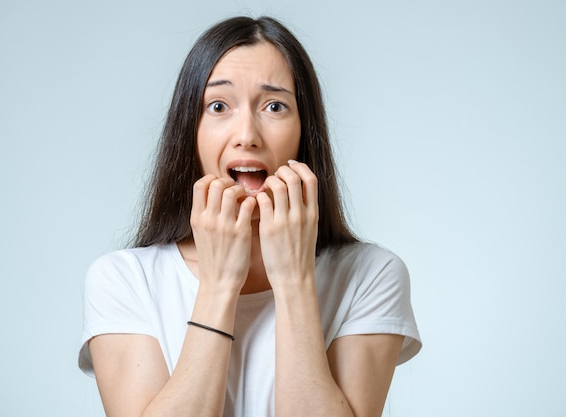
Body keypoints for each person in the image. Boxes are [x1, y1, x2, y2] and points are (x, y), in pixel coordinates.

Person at [78, 15, 421, 417]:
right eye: (219, 106)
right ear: (190, 130)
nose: (247, 134)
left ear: (304, 131)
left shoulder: (371, 275)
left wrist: (294, 281)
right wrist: (220, 284)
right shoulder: (122, 280)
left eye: (275, 106)